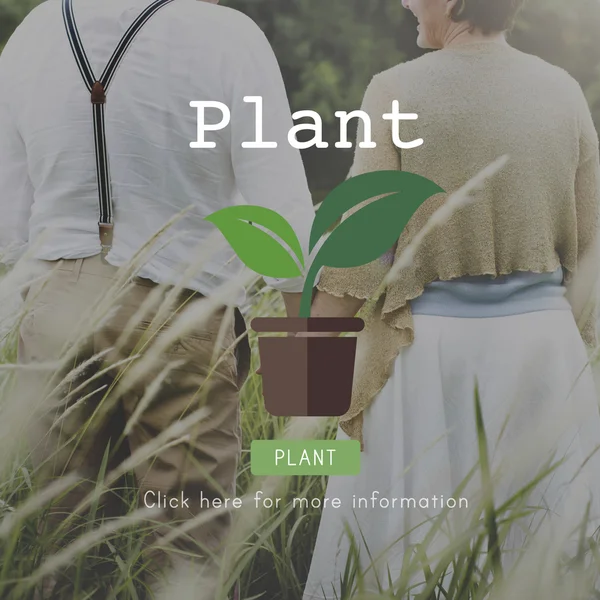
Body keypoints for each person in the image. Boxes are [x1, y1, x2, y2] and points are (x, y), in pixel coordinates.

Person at [0, 0, 314, 597]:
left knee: (50, 542)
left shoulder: (35, 31)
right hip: (182, 306)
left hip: (54, 307)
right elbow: (281, 216)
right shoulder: (226, 33)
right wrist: (304, 381)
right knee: (186, 541)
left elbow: (9, 218)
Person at [303, 0, 600, 597]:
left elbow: (361, 251)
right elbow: (591, 251)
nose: (406, 2)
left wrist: (305, 393)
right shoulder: (564, 91)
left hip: (427, 358)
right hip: (546, 356)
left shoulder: (395, 89)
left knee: (405, 560)